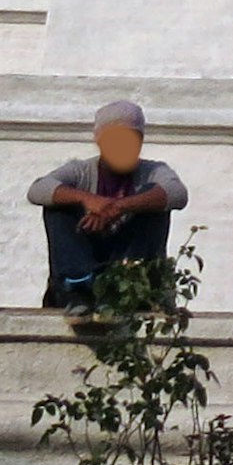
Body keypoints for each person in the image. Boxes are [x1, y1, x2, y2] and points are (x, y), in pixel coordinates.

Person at [28, 99, 187, 312]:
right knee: (58, 203)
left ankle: (124, 285)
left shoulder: (153, 171)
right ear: (100, 142)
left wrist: (118, 207)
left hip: (130, 279)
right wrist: (86, 199)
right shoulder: (81, 171)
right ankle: (77, 286)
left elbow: (177, 193)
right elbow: (38, 189)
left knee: (154, 200)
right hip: (85, 274)